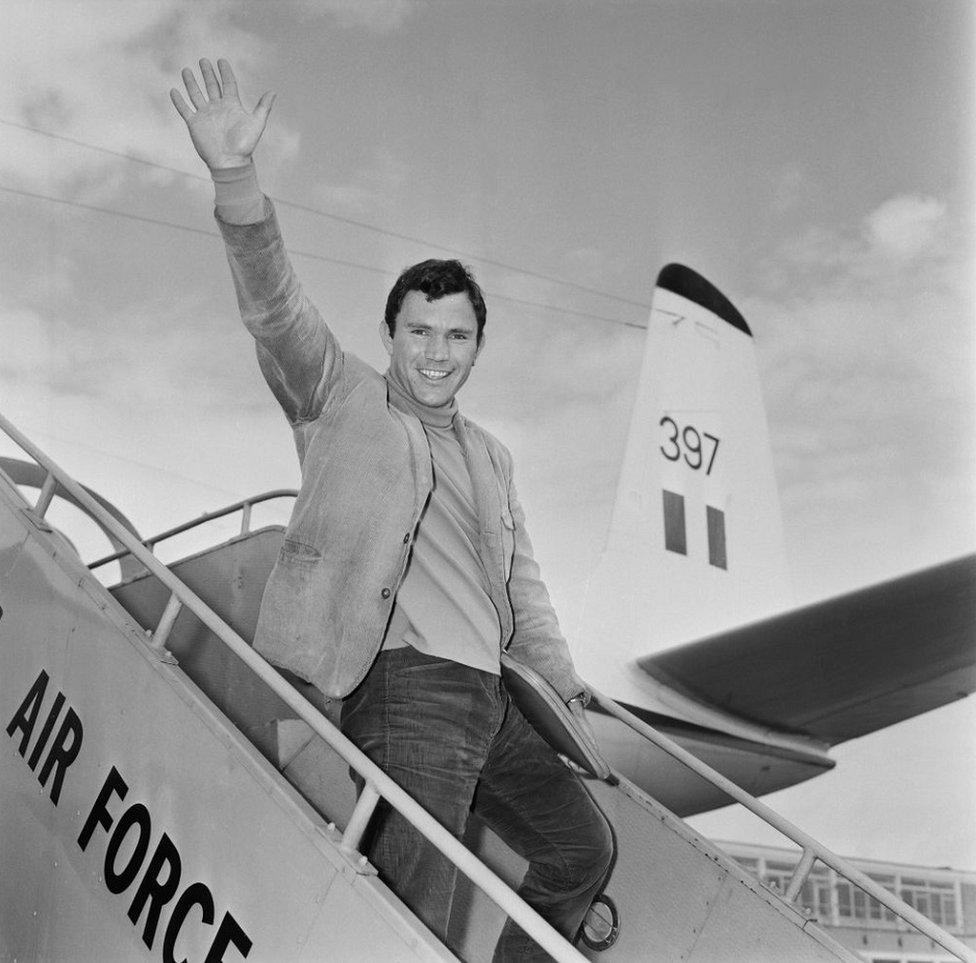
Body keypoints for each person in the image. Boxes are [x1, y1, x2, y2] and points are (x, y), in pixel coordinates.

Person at [171, 58, 613, 961]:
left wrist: (562, 679)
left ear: (478, 345)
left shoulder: (492, 457)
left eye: (456, 335)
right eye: (420, 331)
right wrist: (234, 178)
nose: (437, 352)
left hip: (495, 700)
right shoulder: (344, 399)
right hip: (406, 689)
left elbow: (522, 590)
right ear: (390, 334)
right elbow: (275, 309)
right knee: (415, 910)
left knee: (582, 847)